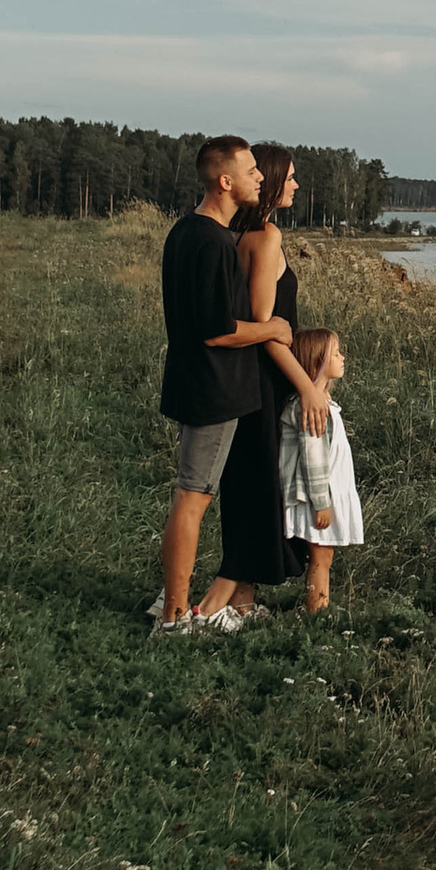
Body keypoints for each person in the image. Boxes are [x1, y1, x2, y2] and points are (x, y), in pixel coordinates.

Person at [154, 137, 324, 635]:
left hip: (208, 383)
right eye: (252, 171)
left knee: (206, 493)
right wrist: (273, 330)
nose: (261, 178)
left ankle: (212, 604)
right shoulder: (211, 240)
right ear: (226, 180)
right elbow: (219, 329)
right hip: (215, 387)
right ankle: (174, 617)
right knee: (194, 496)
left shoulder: (192, 233)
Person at [216, 141, 307, 618]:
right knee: (262, 484)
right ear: (270, 182)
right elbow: (267, 327)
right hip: (265, 380)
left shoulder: (234, 233)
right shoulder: (266, 237)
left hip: (244, 380)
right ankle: (230, 601)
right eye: (289, 177)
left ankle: (241, 599)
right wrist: (309, 388)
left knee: (251, 483)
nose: (295, 184)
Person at [279, 326, 364, 612]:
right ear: (317, 362)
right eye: (336, 353)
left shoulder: (323, 403)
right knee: (321, 557)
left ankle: (319, 606)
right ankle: (318, 612)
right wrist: (321, 503)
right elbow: (312, 459)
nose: (343, 358)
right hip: (317, 496)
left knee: (323, 555)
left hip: (327, 493)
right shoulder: (312, 407)